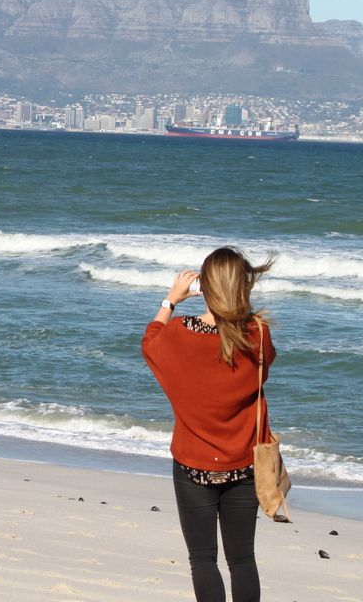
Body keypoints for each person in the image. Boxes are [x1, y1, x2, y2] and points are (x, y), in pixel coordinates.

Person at [141, 246, 276, 602]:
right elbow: (261, 360)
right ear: (243, 286)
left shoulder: (178, 334)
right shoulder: (258, 336)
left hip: (193, 465)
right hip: (243, 465)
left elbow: (150, 342)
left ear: (205, 286)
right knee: (242, 559)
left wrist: (171, 299)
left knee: (202, 560)